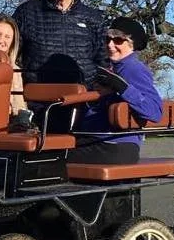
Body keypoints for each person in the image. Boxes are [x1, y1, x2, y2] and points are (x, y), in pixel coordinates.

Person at [68, 17, 163, 165]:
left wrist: (123, 88)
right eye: (108, 39)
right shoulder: (113, 70)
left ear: (132, 44)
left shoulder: (133, 69)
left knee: (46, 159)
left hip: (115, 145)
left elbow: (155, 111)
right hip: (100, 141)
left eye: (118, 40)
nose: (110, 45)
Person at [13, 0, 108, 85]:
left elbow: (103, 60)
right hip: (38, 97)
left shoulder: (94, 17)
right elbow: (10, 53)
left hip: (83, 98)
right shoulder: (26, 11)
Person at [0, 15, 28, 117]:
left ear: (12, 42)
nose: (0, 40)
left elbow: (20, 106)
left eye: (7, 37)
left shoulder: (16, 71)